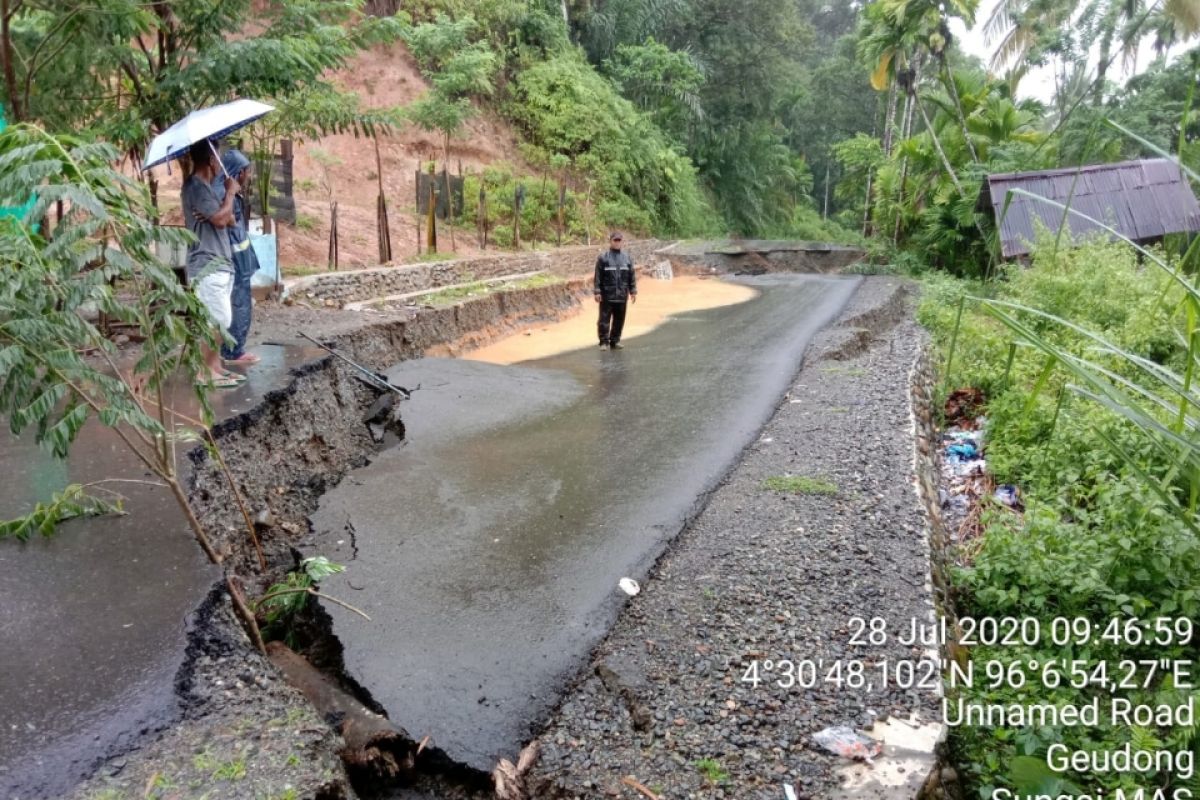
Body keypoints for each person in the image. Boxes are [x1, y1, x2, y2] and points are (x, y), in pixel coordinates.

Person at [181, 139, 243, 388]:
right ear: (210, 160)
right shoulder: (195, 187)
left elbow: (230, 221)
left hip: (221, 262)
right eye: (218, 157)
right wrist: (229, 194)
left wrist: (222, 210)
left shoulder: (207, 188)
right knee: (218, 320)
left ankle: (215, 367)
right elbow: (220, 220)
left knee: (217, 320)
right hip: (206, 263)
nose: (221, 163)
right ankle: (204, 371)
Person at [212, 149, 260, 366]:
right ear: (239, 172)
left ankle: (233, 348)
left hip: (240, 256)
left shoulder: (228, 190)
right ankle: (232, 351)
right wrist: (230, 193)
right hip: (233, 257)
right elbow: (228, 220)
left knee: (240, 301)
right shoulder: (222, 191)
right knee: (237, 302)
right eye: (247, 172)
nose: (248, 176)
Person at [593, 231, 637, 350]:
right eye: (615, 240)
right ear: (610, 241)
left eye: (619, 240)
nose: (617, 242)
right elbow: (598, 276)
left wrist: (633, 291)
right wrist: (597, 292)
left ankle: (615, 341)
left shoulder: (627, 258)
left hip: (622, 295)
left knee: (619, 320)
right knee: (604, 320)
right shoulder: (603, 258)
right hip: (607, 295)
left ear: (622, 242)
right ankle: (603, 342)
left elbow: (631, 275)